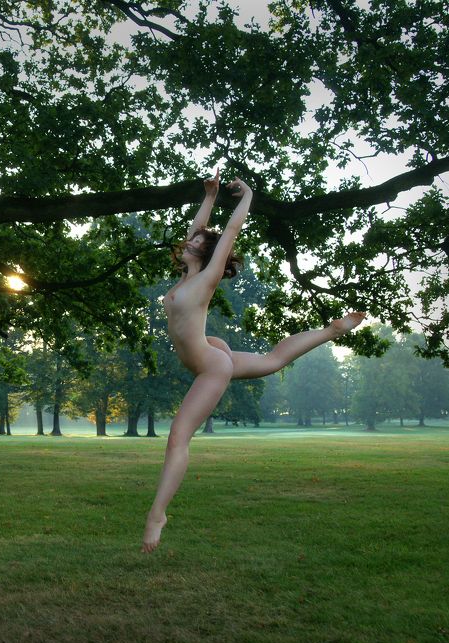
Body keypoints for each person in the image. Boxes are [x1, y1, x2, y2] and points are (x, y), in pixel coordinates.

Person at [141, 170, 364, 553]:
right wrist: (209, 196)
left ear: (206, 254)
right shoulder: (184, 275)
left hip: (212, 365)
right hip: (208, 350)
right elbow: (201, 229)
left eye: (195, 241)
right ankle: (329, 332)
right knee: (272, 360)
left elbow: (227, 233)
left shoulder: (205, 278)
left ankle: (157, 515)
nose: (188, 241)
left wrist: (247, 196)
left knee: (178, 438)